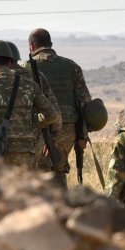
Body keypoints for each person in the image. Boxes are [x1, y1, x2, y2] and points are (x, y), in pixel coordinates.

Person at [0, 40, 60, 167]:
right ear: (10, 62)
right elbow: (53, 115)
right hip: (26, 152)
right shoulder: (30, 85)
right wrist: (32, 124)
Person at [25, 28, 91, 181]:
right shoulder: (72, 66)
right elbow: (84, 102)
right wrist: (82, 135)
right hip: (68, 130)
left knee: (38, 175)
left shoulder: (26, 68)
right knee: (59, 170)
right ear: (51, 44)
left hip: (40, 130)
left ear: (31, 46)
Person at [6, 41, 62, 168]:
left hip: (4, 142)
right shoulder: (37, 76)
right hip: (33, 141)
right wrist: (53, 137)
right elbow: (55, 113)